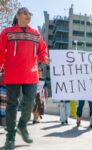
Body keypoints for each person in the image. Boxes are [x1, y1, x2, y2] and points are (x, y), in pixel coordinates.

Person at [0, 7, 50, 149]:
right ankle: (10, 137)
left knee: (30, 103)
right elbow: (0, 52)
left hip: (31, 73)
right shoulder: (7, 32)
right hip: (12, 73)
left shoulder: (35, 34)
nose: (28, 15)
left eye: (30, 14)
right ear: (18, 15)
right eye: (25, 13)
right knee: (12, 105)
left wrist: (44, 57)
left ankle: (22, 126)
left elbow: (42, 50)